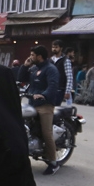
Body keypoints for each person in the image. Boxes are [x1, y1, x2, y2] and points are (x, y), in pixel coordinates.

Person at [18, 45, 61, 175]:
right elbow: (21, 79)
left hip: (45, 105)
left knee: (46, 133)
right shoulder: (34, 68)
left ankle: (53, 163)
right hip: (32, 103)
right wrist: (24, 66)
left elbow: (53, 86)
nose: (30, 57)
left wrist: (44, 95)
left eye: (32, 55)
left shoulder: (51, 69)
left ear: (39, 56)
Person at [51, 40, 74, 105]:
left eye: (56, 47)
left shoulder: (65, 60)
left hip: (60, 89)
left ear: (61, 48)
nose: (54, 49)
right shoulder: (50, 60)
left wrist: (67, 91)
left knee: (55, 107)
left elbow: (69, 76)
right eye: (53, 47)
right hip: (50, 88)